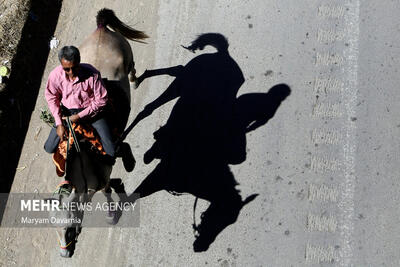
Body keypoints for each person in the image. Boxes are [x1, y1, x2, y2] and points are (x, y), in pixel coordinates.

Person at [44, 46, 115, 159]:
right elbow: (52, 98)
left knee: (111, 150)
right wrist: (59, 123)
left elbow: (101, 100)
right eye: (67, 69)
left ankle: (123, 149)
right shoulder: (55, 76)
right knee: (49, 147)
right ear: (61, 65)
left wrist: (79, 116)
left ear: (79, 61)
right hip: (68, 113)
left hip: (92, 112)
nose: (71, 72)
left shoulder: (92, 74)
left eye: (74, 67)